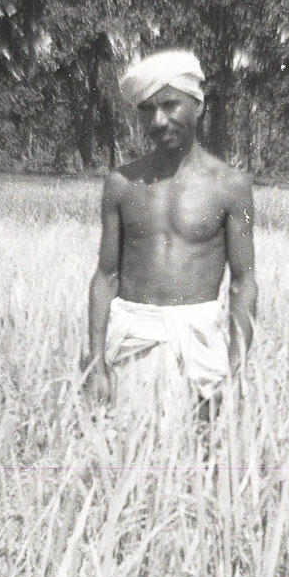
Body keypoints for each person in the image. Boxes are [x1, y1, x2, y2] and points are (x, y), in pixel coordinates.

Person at [85, 49, 257, 416]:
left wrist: (236, 370)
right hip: (133, 341)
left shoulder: (231, 186)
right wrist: (96, 364)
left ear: (199, 106)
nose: (158, 120)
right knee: (126, 445)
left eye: (170, 105)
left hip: (200, 346)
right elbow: (105, 275)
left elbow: (243, 281)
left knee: (204, 446)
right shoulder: (121, 184)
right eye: (147, 109)